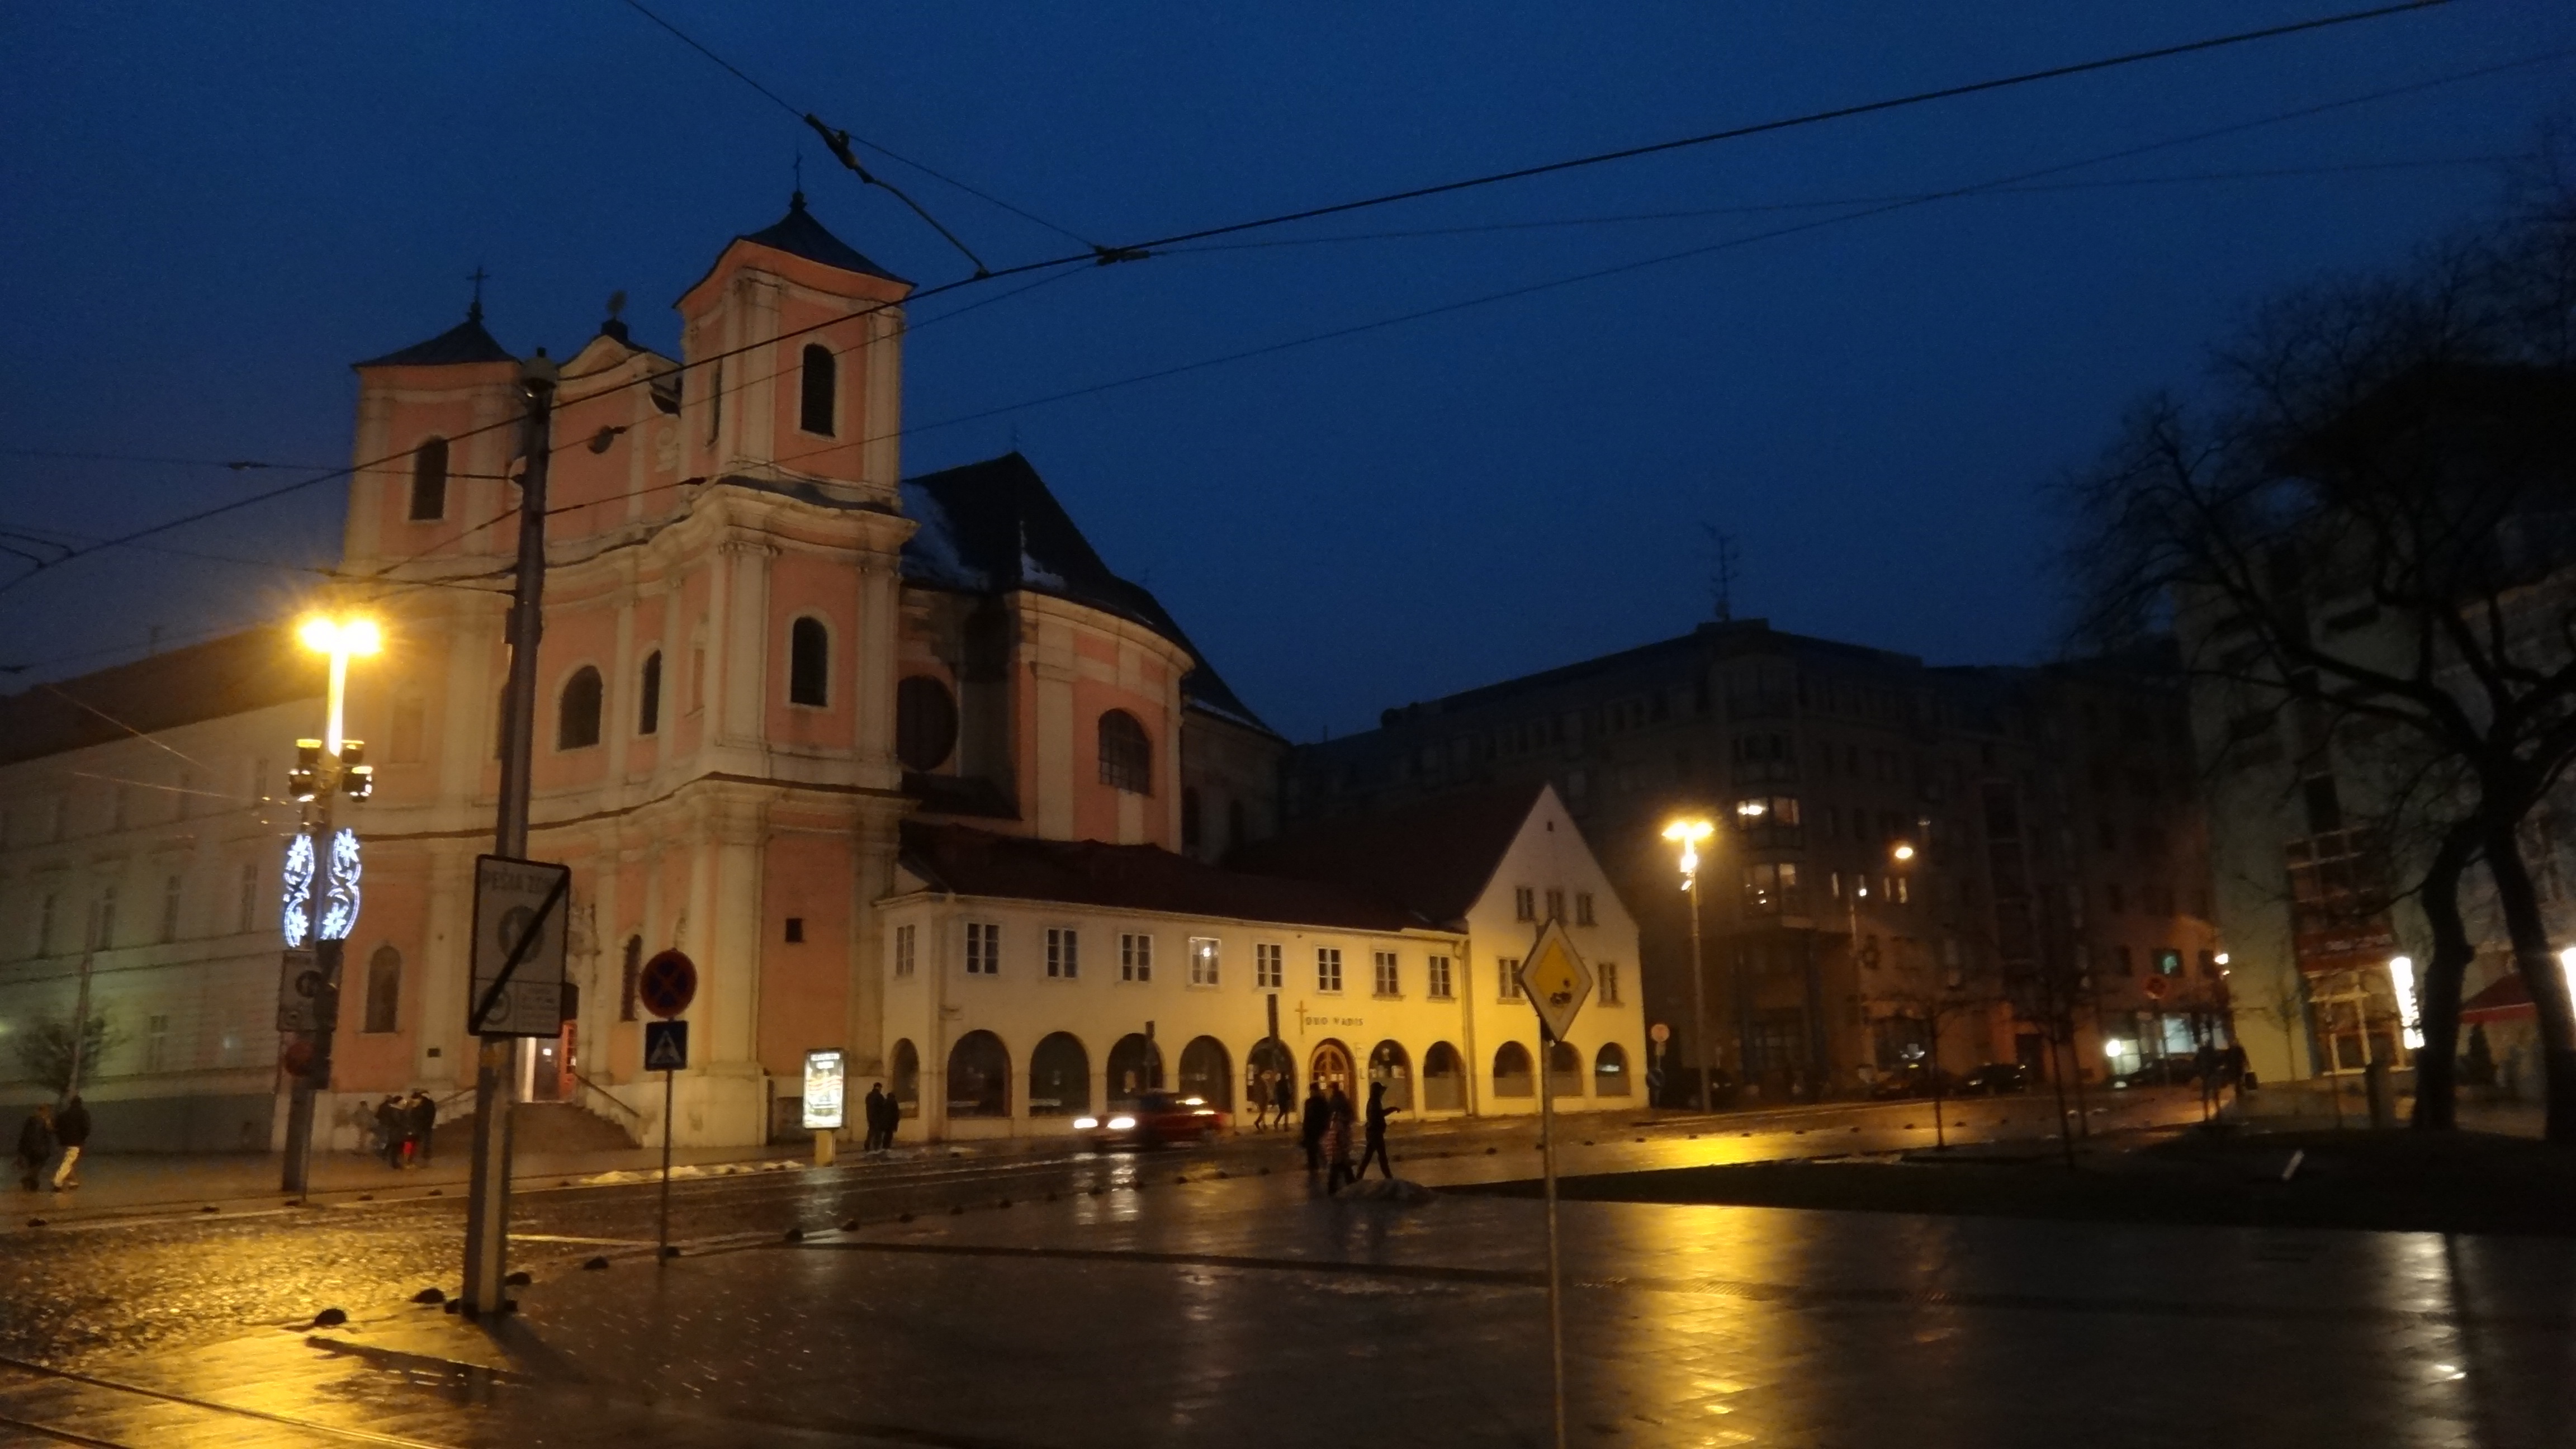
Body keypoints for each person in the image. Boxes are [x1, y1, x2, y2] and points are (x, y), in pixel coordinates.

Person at [1359, 1081, 1399, 1180]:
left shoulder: (1374, 1101)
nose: (1382, 1093)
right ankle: (1388, 1177)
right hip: (1375, 1133)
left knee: (1373, 1156)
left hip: (1374, 1132)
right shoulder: (1374, 1102)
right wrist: (1392, 1109)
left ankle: (1360, 1175)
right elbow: (1379, 1114)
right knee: (1379, 1156)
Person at [1323, 1084, 1358, 1194]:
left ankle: (1335, 1189)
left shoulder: (1335, 1101)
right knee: (1341, 1167)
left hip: (1337, 1149)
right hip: (1338, 1150)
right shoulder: (1342, 1099)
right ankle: (1350, 1186)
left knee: (1338, 1168)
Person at [51, 1095, 90, 1191]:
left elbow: (56, 1127)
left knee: (67, 1161)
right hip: (76, 1142)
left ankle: (73, 1182)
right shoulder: (83, 1114)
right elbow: (86, 1128)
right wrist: (82, 1140)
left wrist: (60, 1138)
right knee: (68, 1163)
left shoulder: (63, 1114)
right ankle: (58, 1182)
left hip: (63, 1142)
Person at [15, 1104, 52, 1192]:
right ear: (44, 1111)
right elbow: (47, 1133)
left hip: (29, 1148)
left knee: (33, 1165)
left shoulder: (30, 1120)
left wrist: (21, 1150)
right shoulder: (43, 1121)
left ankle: (32, 1184)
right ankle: (28, 1179)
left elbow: (24, 1135)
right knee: (38, 1165)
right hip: (40, 1148)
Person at [1300, 1081, 1329, 1175]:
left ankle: (1323, 1165)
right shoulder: (1309, 1102)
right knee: (1311, 1149)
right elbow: (1306, 1117)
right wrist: (1304, 1128)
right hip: (1310, 1128)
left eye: (1313, 1090)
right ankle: (1314, 1167)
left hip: (1318, 1128)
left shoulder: (1322, 1101)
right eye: (1311, 1091)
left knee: (1318, 1147)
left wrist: (1325, 1127)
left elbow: (1325, 1115)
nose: (1311, 1092)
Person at [406, 1090, 437, 1167]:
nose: (421, 1100)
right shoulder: (412, 1108)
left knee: (412, 1145)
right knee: (410, 1145)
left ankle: (409, 1161)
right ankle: (408, 1161)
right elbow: (409, 1118)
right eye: (420, 1099)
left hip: (415, 1129)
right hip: (412, 1129)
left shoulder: (416, 1107)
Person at [375, 1095, 405, 1168]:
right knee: (393, 1144)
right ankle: (387, 1156)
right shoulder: (395, 1109)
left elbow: (377, 1116)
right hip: (394, 1129)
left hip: (386, 1126)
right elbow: (397, 1120)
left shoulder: (383, 1107)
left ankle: (384, 1154)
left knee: (388, 1142)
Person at [862, 1083, 891, 1152]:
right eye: (881, 1088)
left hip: (870, 1117)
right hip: (878, 1118)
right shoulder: (879, 1096)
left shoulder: (869, 1096)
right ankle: (876, 1148)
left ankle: (867, 1145)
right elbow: (883, 1107)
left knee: (871, 1132)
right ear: (879, 1088)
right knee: (878, 1134)